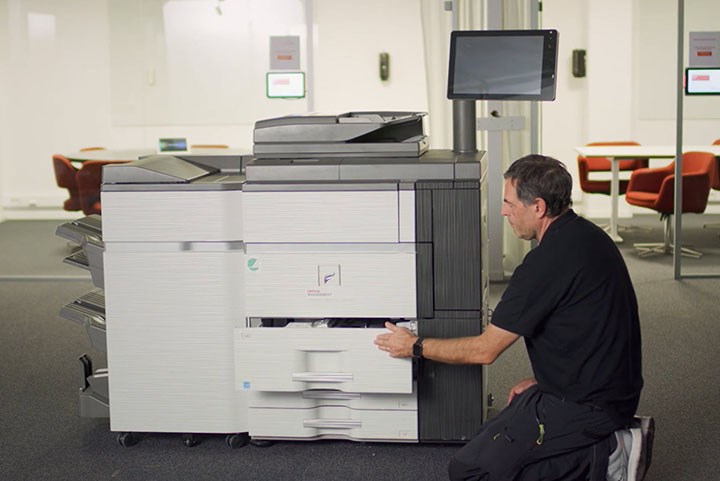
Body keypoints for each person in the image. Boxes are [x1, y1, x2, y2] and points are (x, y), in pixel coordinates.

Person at [374, 154, 653, 481]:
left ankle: (610, 455)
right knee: (491, 431)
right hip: (607, 388)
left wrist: (414, 346)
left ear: (538, 207)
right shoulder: (588, 236)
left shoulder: (544, 264)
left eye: (509, 203)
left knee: (469, 471)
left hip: (590, 405)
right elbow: (590, 328)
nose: (503, 212)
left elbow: (485, 350)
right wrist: (545, 381)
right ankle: (592, 438)